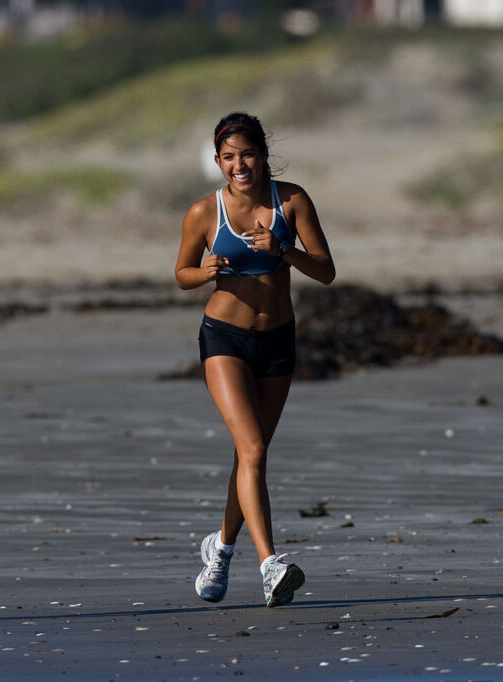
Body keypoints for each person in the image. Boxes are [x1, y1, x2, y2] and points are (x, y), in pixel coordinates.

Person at [175, 112, 335, 607]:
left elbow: (326, 271)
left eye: (246, 154)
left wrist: (284, 248)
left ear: (263, 154)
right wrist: (204, 274)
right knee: (253, 449)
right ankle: (270, 566)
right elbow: (180, 272)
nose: (238, 165)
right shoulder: (204, 213)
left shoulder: (292, 201)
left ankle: (220, 550)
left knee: (252, 454)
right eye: (228, 157)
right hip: (224, 338)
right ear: (218, 161)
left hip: (278, 341)